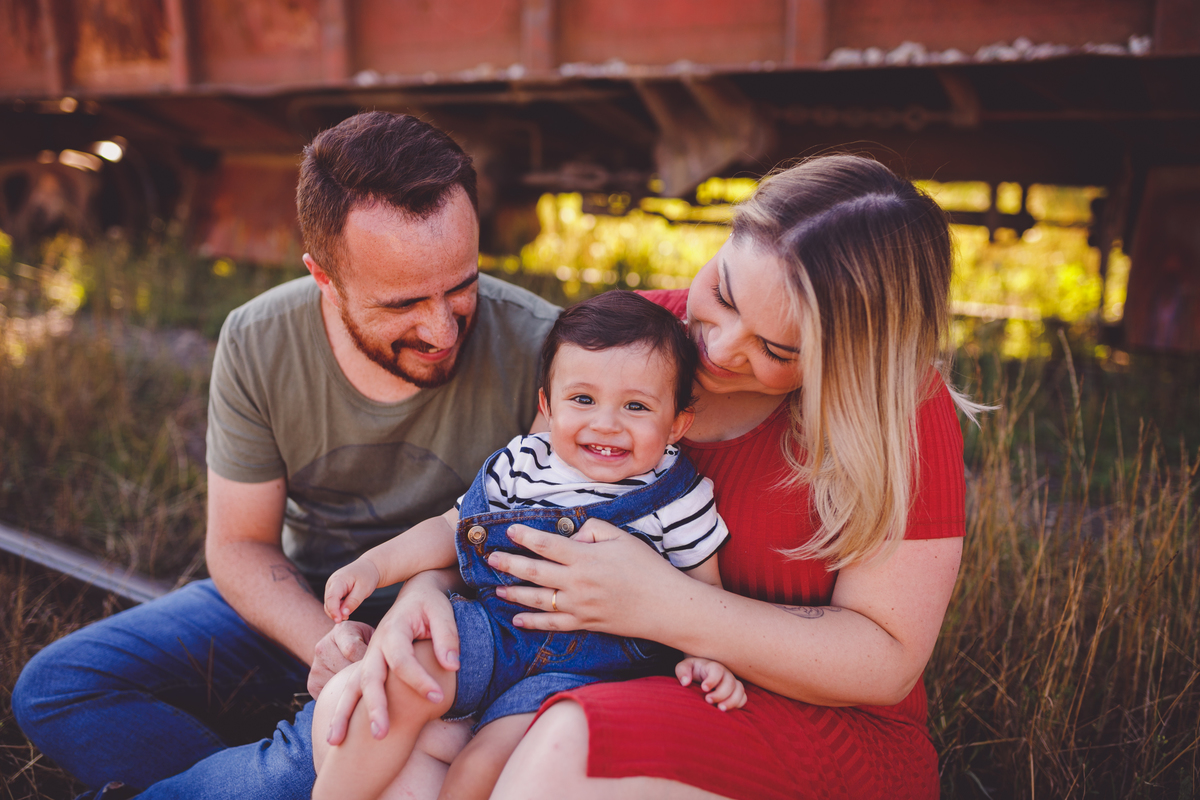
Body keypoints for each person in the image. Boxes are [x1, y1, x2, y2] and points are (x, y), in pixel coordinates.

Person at [352, 154, 977, 800]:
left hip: (820, 722)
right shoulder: (633, 344)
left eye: (778, 350)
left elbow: (885, 663)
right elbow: (521, 505)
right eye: (725, 295)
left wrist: (662, 607)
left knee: (561, 753)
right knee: (406, 746)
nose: (722, 346)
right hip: (607, 672)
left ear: (851, 355)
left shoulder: (900, 412)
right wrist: (424, 591)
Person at [11, 111, 560, 800]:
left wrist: (390, 649)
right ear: (322, 277)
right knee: (56, 688)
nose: (442, 329)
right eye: (403, 303)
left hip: (446, 641)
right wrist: (327, 645)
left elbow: (535, 556)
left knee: (335, 753)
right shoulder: (258, 337)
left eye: (461, 285)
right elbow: (240, 544)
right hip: (304, 605)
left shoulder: (544, 349)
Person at [312, 291, 743, 800]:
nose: (606, 422)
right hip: (492, 628)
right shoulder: (522, 462)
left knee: (482, 766)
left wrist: (709, 660)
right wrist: (375, 565)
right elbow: (452, 528)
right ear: (547, 405)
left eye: (636, 406)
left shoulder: (679, 496)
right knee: (397, 686)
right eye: (582, 399)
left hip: (584, 670)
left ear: (676, 424)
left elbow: (704, 597)